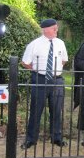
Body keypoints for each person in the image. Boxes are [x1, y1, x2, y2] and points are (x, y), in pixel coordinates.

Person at [21, 19, 68, 149]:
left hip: (57, 80)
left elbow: (64, 60)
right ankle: (31, 139)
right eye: (54, 28)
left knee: (57, 110)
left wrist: (54, 71)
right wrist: (38, 71)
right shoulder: (34, 44)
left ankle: (56, 138)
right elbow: (25, 62)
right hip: (40, 80)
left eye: (56, 28)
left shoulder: (60, 43)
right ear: (45, 29)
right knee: (36, 110)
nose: (56, 30)